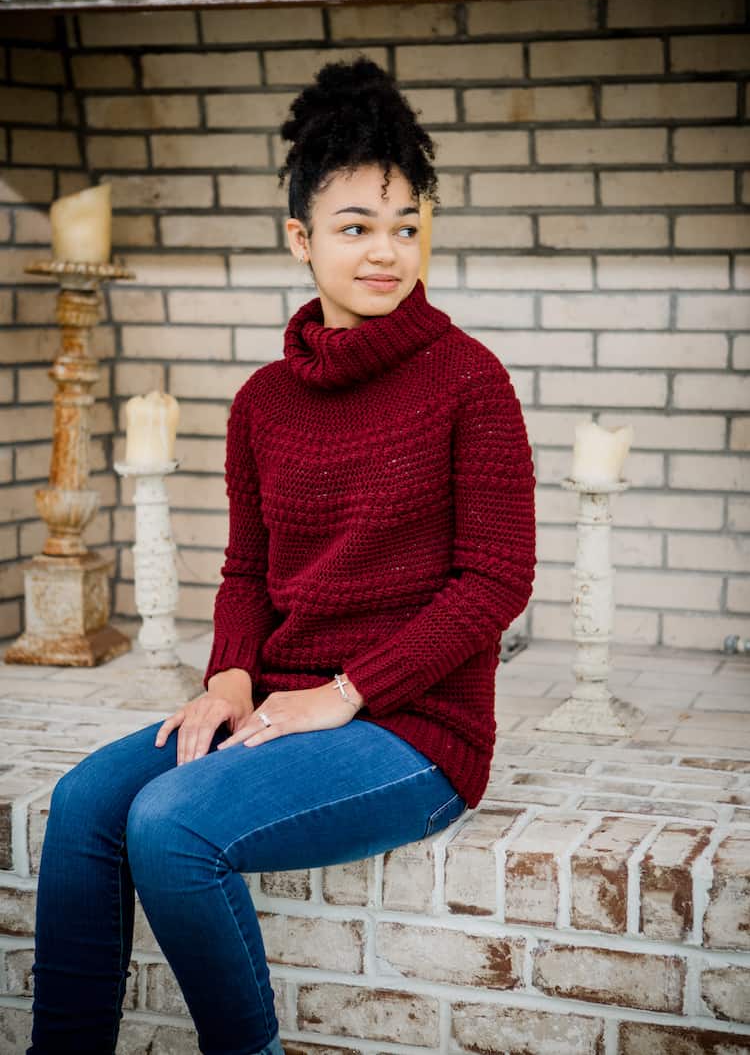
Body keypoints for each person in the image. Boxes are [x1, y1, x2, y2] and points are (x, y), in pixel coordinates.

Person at [26, 55, 536, 1055]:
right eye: (356, 227)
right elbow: (247, 572)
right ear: (300, 238)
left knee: (172, 827)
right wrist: (227, 681)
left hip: (416, 732)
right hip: (280, 705)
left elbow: (495, 582)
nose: (387, 251)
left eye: (406, 226)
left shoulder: (471, 382)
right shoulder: (264, 401)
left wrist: (345, 691)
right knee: (88, 802)